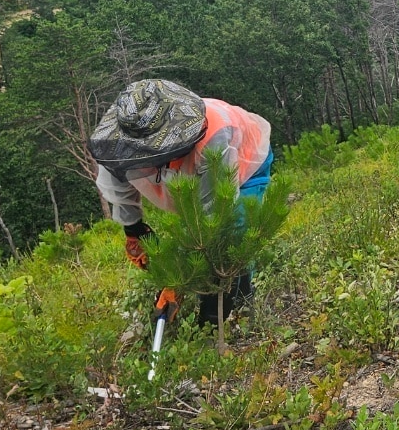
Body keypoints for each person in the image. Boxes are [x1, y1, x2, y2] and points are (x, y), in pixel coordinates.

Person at [87, 79, 273, 324]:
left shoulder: (214, 136)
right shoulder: (118, 142)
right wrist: (134, 230)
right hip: (191, 174)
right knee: (194, 233)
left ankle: (235, 306)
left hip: (245, 162)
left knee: (235, 232)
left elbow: (214, 218)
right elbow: (118, 182)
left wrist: (180, 276)